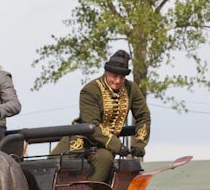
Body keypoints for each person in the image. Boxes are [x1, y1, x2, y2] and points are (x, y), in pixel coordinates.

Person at [53, 50, 151, 182]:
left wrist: (138, 144)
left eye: (122, 77)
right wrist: (117, 145)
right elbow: (92, 124)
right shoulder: (90, 90)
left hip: (104, 148)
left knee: (105, 158)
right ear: (106, 72)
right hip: (81, 141)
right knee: (50, 166)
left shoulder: (131, 88)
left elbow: (143, 115)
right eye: (114, 76)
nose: (118, 81)